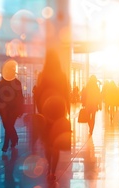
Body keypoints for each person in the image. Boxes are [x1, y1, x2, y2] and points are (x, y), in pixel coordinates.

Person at [33, 49, 70, 180]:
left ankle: (49, 167)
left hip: (46, 108)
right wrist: (67, 110)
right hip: (59, 109)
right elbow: (66, 93)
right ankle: (53, 171)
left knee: (48, 140)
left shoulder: (43, 75)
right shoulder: (62, 75)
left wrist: (39, 110)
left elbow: (38, 94)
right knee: (57, 140)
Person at [0, 66, 24, 152]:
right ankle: (14, 138)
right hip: (8, 108)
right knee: (8, 126)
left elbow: (20, 97)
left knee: (8, 126)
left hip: (11, 108)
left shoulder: (3, 83)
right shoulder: (14, 83)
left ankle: (6, 145)